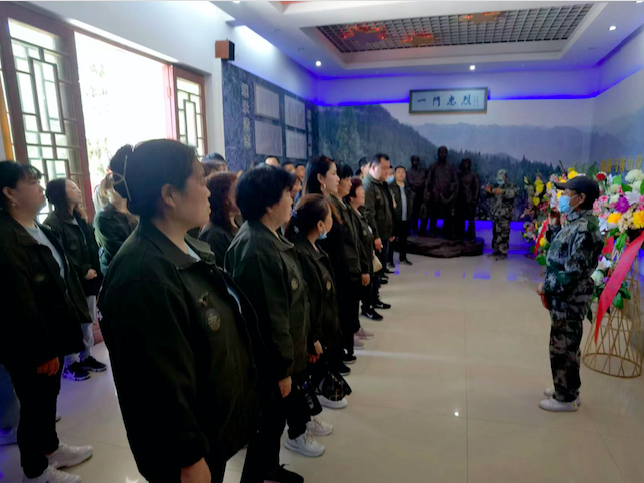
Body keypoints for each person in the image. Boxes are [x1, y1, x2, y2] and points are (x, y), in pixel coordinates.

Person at [97, 140, 259, 483]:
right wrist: (189, 456)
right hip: (184, 451)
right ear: (169, 194)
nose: (208, 191)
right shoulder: (143, 275)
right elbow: (157, 384)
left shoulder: (185, 246)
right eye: (200, 180)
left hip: (209, 425)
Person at [0, 161, 93, 483]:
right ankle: (36, 472)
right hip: (31, 341)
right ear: (10, 193)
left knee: (47, 398)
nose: (41, 186)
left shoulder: (37, 227)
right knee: (34, 405)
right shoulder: (6, 238)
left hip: (52, 331)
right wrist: (42, 351)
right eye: (31, 182)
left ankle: (51, 449)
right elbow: (18, 303)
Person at [225, 165, 306, 483]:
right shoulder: (256, 248)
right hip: (268, 363)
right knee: (266, 424)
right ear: (270, 204)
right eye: (287, 194)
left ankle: (270, 468)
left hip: (277, 358)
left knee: (274, 422)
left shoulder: (269, 237)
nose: (292, 199)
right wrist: (283, 369)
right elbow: (271, 318)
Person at [536, 176, 603, 412]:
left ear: (581, 198)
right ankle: (565, 387)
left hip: (570, 298)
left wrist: (546, 286)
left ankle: (566, 398)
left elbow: (573, 272)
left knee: (563, 347)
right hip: (564, 297)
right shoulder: (576, 222)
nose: (563, 197)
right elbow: (563, 250)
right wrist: (555, 226)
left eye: (567, 193)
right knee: (565, 344)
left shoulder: (586, 230)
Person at [283, 194, 338, 453]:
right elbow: (307, 302)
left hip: (315, 331)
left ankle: (307, 418)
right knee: (299, 383)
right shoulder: (300, 253)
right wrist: (312, 338)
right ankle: (297, 432)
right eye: (330, 217)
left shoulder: (313, 247)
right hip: (306, 333)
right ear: (319, 225)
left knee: (307, 380)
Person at [44, 178, 106, 382]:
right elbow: (60, 254)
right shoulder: (53, 223)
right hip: (71, 282)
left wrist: (95, 270)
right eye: (72, 187)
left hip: (89, 280)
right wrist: (82, 270)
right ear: (60, 194)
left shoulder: (79, 218)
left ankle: (86, 356)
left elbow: (91, 246)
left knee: (87, 319)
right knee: (71, 322)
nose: (78, 190)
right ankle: (70, 363)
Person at [94, 148, 139, 275]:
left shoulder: (133, 210)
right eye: (114, 188)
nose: (118, 191)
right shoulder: (103, 218)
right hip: (118, 271)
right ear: (106, 192)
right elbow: (117, 251)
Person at [347, 177, 386, 322]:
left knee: (372, 283)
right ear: (351, 197)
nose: (363, 192)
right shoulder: (351, 217)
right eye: (359, 190)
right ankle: (366, 309)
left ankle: (371, 304)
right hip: (361, 260)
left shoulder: (361, 212)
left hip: (368, 256)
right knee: (364, 288)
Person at [362, 154, 394, 278]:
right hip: (377, 233)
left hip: (384, 232)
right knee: (375, 268)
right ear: (374, 167)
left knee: (382, 263)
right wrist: (375, 236)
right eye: (384, 168)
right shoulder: (368, 185)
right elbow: (368, 213)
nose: (388, 171)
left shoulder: (381, 184)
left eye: (388, 168)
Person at [198, 172, 240, 267]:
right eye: (236, 189)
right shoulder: (213, 235)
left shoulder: (238, 222)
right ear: (223, 196)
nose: (242, 193)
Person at [424, 146, 459, 239]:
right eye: (441, 152)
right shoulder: (433, 166)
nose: (442, 154)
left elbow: (455, 181)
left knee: (448, 215)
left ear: (447, 154)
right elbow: (428, 181)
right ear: (438, 154)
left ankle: (447, 232)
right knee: (433, 214)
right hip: (435, 195)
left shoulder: (451, 167)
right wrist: (427, 192)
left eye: (444, 152)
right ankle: (432, 231)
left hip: (447, 195)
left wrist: (452, 190)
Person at [485, 169, 517, 260]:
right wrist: (488, 190)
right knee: (495, 233)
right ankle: (495, 251)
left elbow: (513, 193)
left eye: (502, 178)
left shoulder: (510, 186)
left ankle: (503, 252)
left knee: (504, 234)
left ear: (506, 178)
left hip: (505, 215)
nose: (500, 180)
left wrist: (502, 191)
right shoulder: (495, 186)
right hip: (496, 214)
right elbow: (487, 194)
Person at [389, 166, 413, 266]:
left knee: (404, 239)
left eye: (403, 172)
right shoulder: (390, 187)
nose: (401, 174)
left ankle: (403, 258)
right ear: (394, 174)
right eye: (398, 172)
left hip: (405, 217)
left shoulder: (408, 187)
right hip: (394, 218)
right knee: (392, 240)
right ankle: (389, 260)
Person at [456, 158, 480, 240]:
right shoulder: (460, 175)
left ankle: (471, 236)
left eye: (466, 163)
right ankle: (460, 234)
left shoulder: (473, 175)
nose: (465, 165)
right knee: (460, 220)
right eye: (463, 163)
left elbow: (477, 187)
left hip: (470, 201)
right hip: (461, 201)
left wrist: (474, 198)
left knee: (471, 221)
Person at [407, 155, 427, 235]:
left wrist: (417, 182)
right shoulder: (409, 172)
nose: (416, 162)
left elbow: (424, 181)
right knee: (411, 212)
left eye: (417, 160)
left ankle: (420, 230)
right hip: (412, 194)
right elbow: (411, 182)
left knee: (421, 212)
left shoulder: (422, 171)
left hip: (421, 194)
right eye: (414, 160)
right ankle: (411, 229)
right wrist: (419, 182)